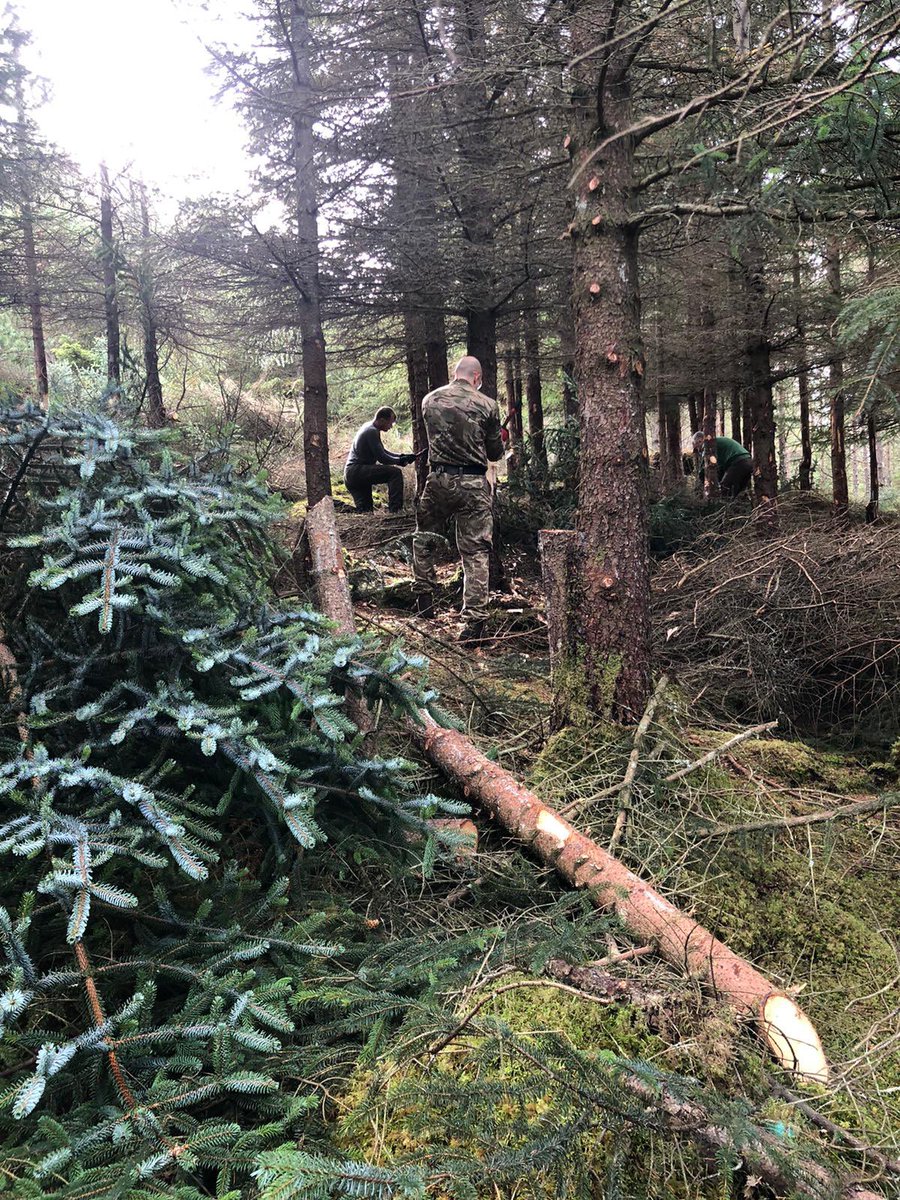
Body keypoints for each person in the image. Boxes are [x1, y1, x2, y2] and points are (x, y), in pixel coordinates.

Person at [412, 355, 504, 645]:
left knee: (425, 537)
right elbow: (494, 454)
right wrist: (498, 437)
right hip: (473, 485)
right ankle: (473, 624)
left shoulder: (429, 400)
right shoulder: (488, 405)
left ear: (456, 373)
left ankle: (424, 599)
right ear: (476, 377)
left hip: (438, 479)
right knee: (476, 551)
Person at [344, 407, 416, 513]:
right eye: (390, 423)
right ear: (382, 420)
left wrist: (401, 456)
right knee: (395, 473)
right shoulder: (371, 431)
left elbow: (383, 451)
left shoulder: (369, 427)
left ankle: (339, 510)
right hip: (357, 471)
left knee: (365, 512)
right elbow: (382, 458)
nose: (391, 427)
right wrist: (399, 461)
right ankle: (396, 511)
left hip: (352, 475)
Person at [692, 431, 752, 498]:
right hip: (748, 461)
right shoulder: (717, 441)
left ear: (700, 441)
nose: (699, 450)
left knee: (725, 490)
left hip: (738, 462)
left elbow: (706, 468)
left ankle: (722, 507)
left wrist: (701, 483)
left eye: (697, 447)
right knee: (738, 492)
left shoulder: (709, 445)